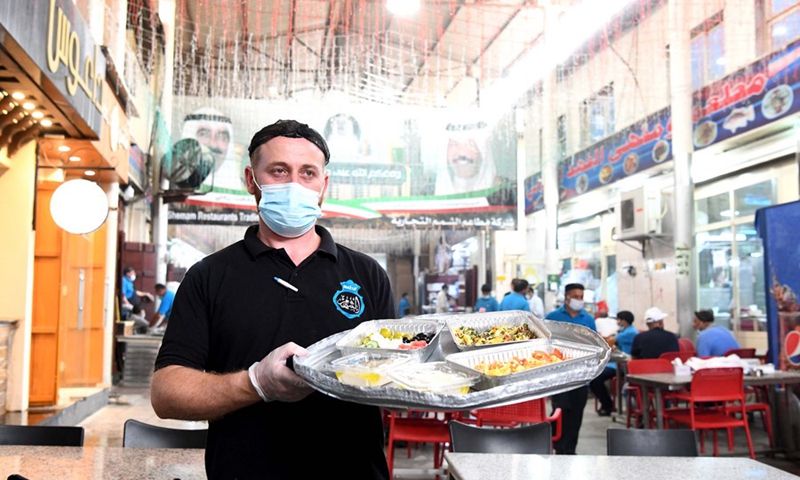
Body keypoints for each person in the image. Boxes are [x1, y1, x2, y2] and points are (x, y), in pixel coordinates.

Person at [150, 119, 395, 479]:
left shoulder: (367, 274)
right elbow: (166, 393)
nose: (295, 184)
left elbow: (394, 374)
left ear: (323, 186)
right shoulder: (209, 276)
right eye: (279, 171)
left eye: (308, 173)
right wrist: (255, 383)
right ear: (252, 180)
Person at [545, 283, 597, 454]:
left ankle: (569, 450)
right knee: (561, 410)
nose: (579, 300)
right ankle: (557, 445)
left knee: (576, 415)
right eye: (576, 296)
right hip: (559, 375)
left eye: (581, 297)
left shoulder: (587, 320)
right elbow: (546, 344)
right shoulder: (553, 317)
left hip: (581, 375)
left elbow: (594, 345)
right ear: (567, 297)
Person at [180, 107, 243, 192]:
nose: (213, 144)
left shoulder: (242, 194)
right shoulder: (169, 189)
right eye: (204, 134)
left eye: (222, 136)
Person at [435, 120, 499, 195]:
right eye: (454, 144)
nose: (462, 153)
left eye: (469, 145)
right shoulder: (426, 195)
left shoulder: (503, 195)